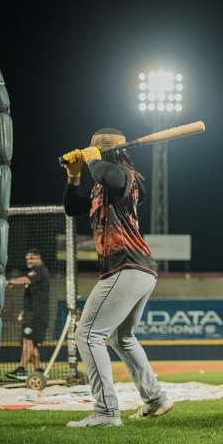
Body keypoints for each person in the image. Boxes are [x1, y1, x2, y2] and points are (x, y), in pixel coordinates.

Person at [60, 128, 172, 428]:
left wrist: (93, 160)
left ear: (109, 152)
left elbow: (110, 176)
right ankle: (156, 399)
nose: (91, 152)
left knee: (87, 335)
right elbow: (72, 208)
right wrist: (73, 175)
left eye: (97, 149)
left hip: (127, 266)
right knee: (120, 337)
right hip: (137, 270)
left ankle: (106, 412)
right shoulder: (101, 186)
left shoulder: (126, 176)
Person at [5, 249, 50, 380]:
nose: (28, 261)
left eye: (31, 258)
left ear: (39, 258)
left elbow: (26, 279)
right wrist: (24, 312)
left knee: (27, 342)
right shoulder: (37, 272)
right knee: (32, 344)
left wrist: (9, 282)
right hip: (33, 314)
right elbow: (36, 296)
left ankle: (21, 370)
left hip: (35, 316)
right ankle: (39, 370)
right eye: (27, 259)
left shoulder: (39, 270)